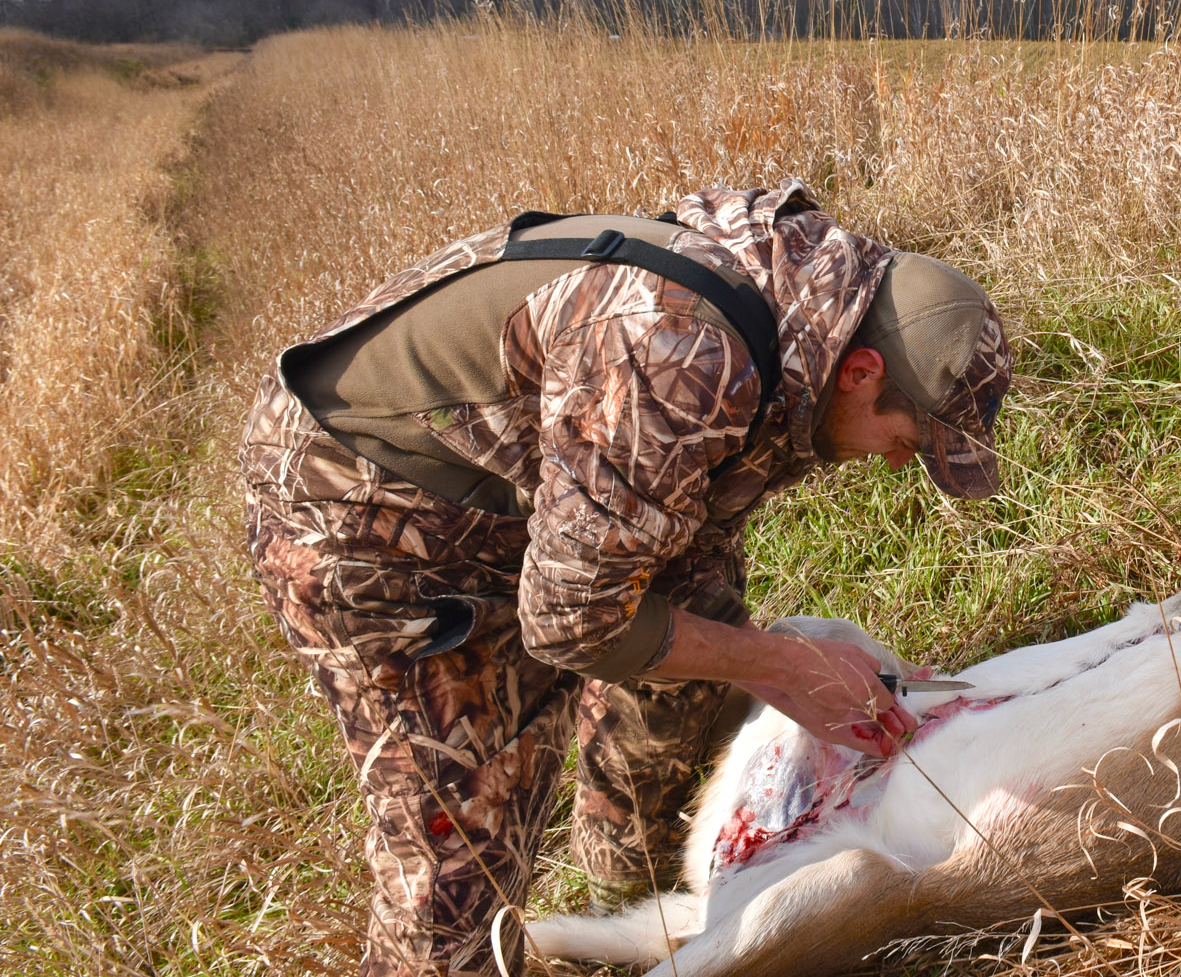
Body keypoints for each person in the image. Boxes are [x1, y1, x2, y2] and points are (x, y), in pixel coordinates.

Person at [241, 181, 1012, 976]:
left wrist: (742, 654)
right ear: (861, 370)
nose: (896, 460)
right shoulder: (685, 356)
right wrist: (784, 666)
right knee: (461, 859)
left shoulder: (811, 298)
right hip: (366, 513)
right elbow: (570, 622)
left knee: (697, 634)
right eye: (906, 436)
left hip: (535, 484)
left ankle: (622, 884)